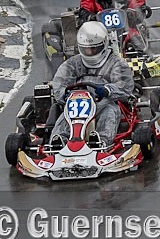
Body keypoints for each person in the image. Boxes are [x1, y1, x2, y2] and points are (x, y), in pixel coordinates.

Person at [50, 21, 135, 149]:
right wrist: (64, 93)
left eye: (94, 48)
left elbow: (125, 86)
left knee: (110, 112)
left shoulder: (116, 63)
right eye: (86, 49)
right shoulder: (72, 63)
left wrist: (108, 90)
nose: (89, 52)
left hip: (104, 102)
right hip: (77, 104)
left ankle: (101, 141)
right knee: (66, 115)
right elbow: (59, 84)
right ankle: (59, 141)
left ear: (104, 44)